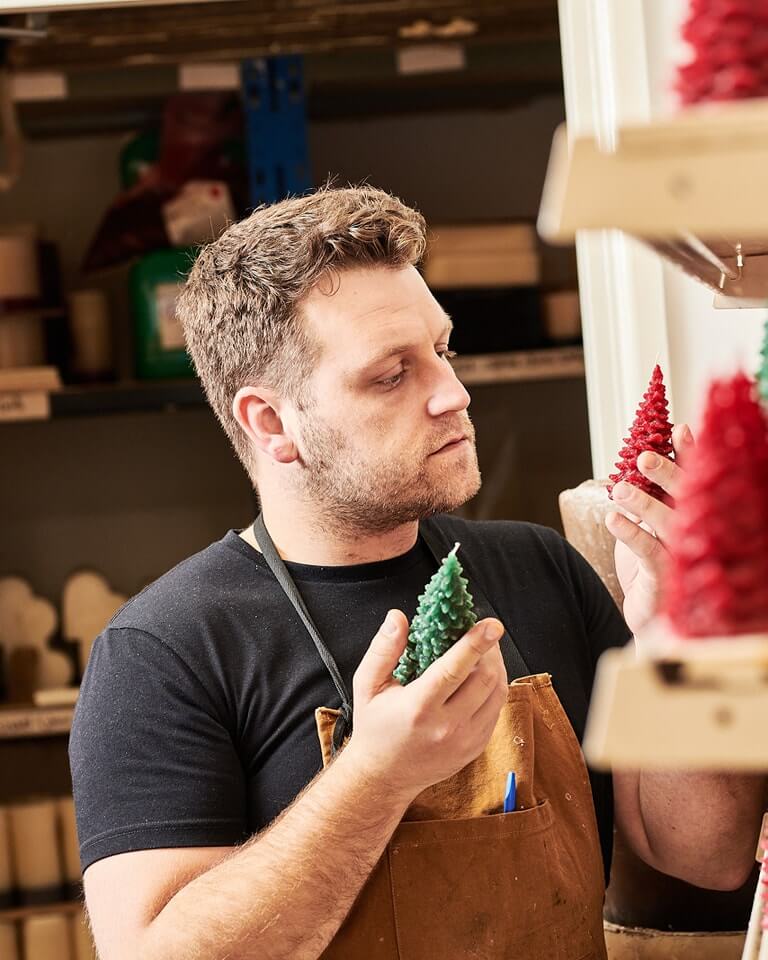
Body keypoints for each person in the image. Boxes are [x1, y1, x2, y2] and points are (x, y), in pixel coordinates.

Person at [70, 185, 765, 960]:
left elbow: (701, 854)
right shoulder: (163, 652)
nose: (454, 394)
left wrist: (676, 626)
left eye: (442, 350)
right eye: (391, 375)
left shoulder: (540, 567)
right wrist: (377, 777)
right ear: (271, 423)